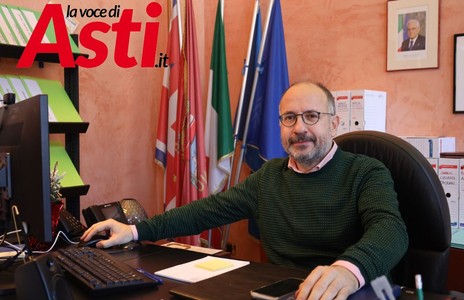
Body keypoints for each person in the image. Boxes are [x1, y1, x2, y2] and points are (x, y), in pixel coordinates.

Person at [82, 81, 408, 300]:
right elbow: (206, 211)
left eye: (312, 116)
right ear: (280, 127)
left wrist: (349, 271)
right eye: (289, 118)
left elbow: (390, 229)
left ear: (334, 124)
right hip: (285, 291)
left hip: (351, 289)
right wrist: (136, 230)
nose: (300, 128)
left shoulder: (365, 171)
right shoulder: (269, 177)